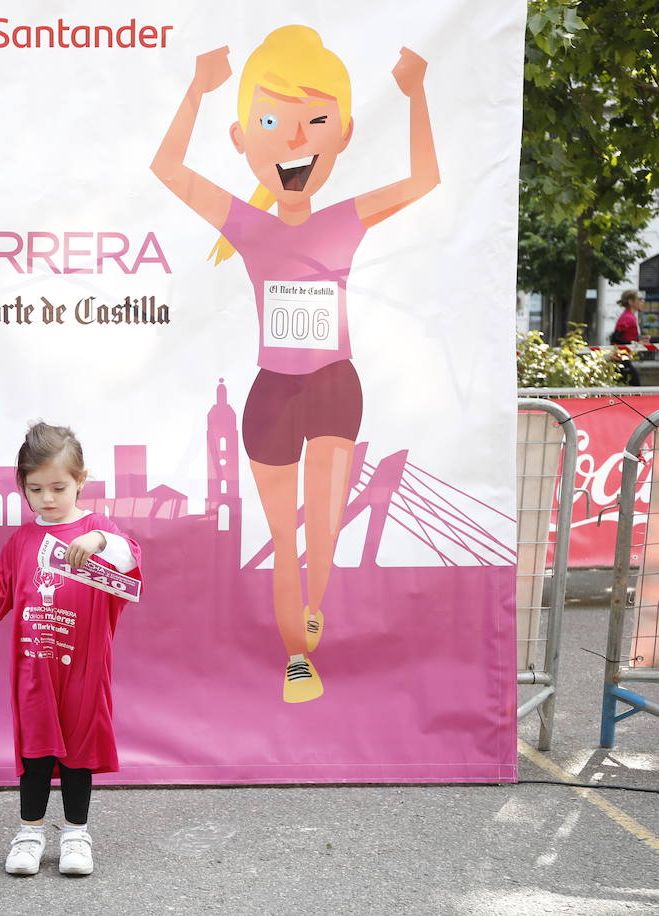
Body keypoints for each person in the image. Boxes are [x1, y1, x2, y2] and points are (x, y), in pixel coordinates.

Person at [151, 26, 439, 703]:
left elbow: (426, 178)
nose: (292, 140)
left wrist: (417, 91)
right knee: (287, 539)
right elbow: (167, 170)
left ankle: (312, 619)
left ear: (341, 135)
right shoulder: (245, 226)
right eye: (272, 121)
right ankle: (298, 657)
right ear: (242, 139)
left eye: (314, 122)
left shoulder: (345, 217)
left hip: (335, 387)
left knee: (325, 533)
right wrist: (196, 87)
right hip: (272, 396)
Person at [0, 422, 142, 877]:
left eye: (59, 486)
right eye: (36, 489)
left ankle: (76, 834)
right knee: (35, 751)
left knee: (78, 751)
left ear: (81, 480)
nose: (48, 498)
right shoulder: (22, 540)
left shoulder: (97, 527)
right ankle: (29, 832)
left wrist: (98, 541)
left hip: (85, 667)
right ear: (22, 487)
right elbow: (0, 596)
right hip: (34, 668)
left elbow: (131, 557)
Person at [611, 289, 645, 385]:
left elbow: (625, 337)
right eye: (640, 299)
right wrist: (634, 343)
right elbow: (615, 338)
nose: (643, 301)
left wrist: (639, 341)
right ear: (630, 302)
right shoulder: (627, 317)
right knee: (636, 386)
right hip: (620, 359)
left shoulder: (630, 316)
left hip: (623, 358)